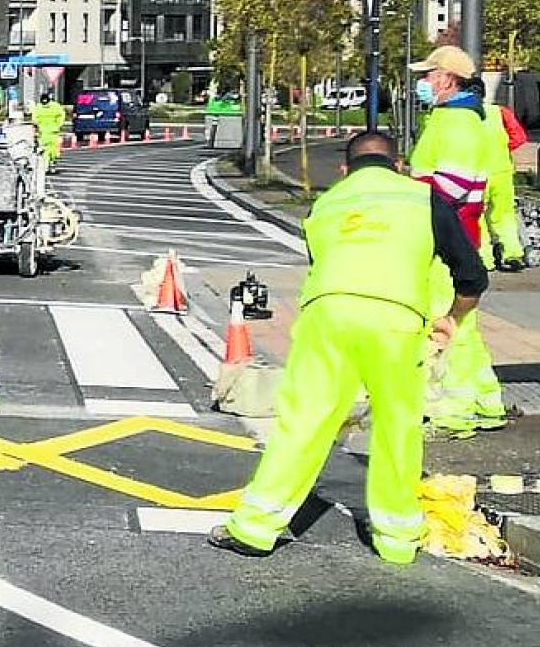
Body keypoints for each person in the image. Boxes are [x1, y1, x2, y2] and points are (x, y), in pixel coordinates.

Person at [208, 132, 489, 565]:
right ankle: (396, 540)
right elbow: (472, 275)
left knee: (303, 422)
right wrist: (452, 317)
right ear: (398, 166)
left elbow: (325, 264)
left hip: (326, 318)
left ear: (345, 168)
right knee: (397, 425)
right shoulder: (422, 199)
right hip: (396, 322)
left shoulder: (327, 205)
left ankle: (255, 527)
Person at [406, 47, 508, 436]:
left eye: (429, 74)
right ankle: (484, 401)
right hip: (457, 238)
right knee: (462, 325)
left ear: (447, 78)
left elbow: (453, 187)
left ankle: (453, 408)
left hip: (445, 242)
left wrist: (411, 199)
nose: (424, 82)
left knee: (442, 323)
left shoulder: (458, 124)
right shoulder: (456, 119)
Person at [462, 77, 527, 272]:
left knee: (476, 215)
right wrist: (502, 148)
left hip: (475, 174)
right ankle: (512, 254)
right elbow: (519, 138)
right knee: (504, 215)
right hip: (501, 172)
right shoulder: (500, 112)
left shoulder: (463, 116)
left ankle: (484, 258)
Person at [32, 92, 67, 169]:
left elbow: (34, 120)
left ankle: (47, 165)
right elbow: (62, 116)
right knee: (53, 150)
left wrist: (36, 128)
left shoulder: (38, 107)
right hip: (52, 132)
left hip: (43, 132)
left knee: (45, 150)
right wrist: (58, 125)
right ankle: (51, 163)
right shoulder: (56, 106)